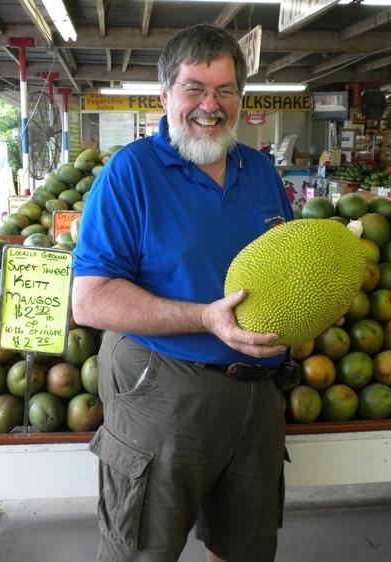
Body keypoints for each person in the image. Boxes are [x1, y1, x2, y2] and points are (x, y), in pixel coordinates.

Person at [71, 24, 294, 562]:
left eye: (225, 90)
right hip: (162, 391)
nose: (209, 106)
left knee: (245, 550)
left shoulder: (260, 170)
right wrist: (205, 318)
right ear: (166, 93)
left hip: (257, 394)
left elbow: (290, 271)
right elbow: (90, 299)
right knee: (143, 551)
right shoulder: (131, 173)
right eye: (194, 88)